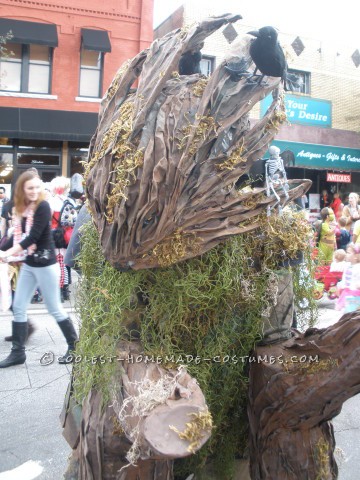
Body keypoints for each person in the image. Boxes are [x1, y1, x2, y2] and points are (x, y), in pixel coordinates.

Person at [0, 170, 78, 368]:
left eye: (37, 187)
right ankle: (18, 353)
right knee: (18, 306)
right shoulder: (22, 208)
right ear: (22, 190)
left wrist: (8, 254)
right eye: (30, 188)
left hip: (46, 265)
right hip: (29, 264)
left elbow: (32, 237)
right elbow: (13, 236)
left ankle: (74, 347)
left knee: (54, 308)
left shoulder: (43, 206)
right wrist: (2, 249)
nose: (34, 191)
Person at [49, 176, 76, 302]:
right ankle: (65, 290)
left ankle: (58, 291)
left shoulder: (51, 202)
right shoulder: (71, 201)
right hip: (68, 235)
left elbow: (48, 221)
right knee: (66, 264)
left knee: (58, 263)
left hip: (55, 235)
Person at [336, 244, 360, 313]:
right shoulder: (347, 265)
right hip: (347, 292)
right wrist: (340, 286)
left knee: (352, 313)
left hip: (355, 293)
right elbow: (344, 279)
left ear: (356, 256)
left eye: (348, 253)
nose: (346, 254)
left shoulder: (358, 267)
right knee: (346, 312)